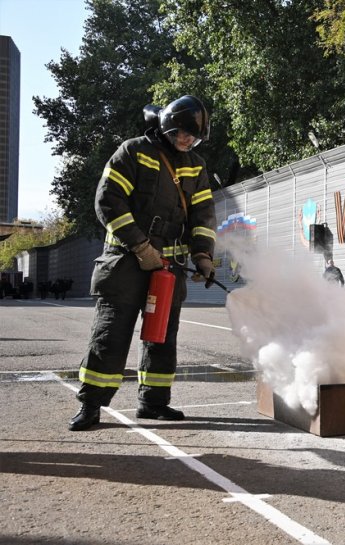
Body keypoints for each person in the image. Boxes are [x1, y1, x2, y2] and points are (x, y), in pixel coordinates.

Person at [69, 95, 216, 431]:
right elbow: (108, 201)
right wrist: (139, 245)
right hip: (125, 260)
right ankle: (91, 405)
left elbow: (203, 214)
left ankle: (153, 403)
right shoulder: (133, 150)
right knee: (111, 333)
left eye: (192, 137)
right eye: (181, 133)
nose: (185, 141)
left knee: (162, 335)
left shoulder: (195, 164)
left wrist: (203, 254)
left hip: (170, 265)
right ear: (167, 125)